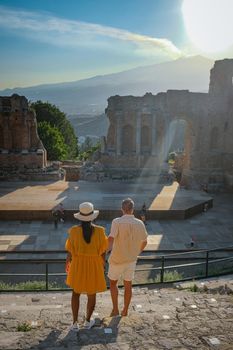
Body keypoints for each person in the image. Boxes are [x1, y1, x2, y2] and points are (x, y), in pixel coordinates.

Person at [65, 202, 108, 331]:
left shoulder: (73, 231)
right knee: (91, 293)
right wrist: (103, 263)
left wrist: (67, 261)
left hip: (78, 264)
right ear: (93, 216)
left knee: (75, 293)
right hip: (94, 264)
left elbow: (70, 251)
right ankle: (88, 321)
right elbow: (103, 250)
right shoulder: (100, 231)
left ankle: (74, 323)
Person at [107, 198, 148, 317]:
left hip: (117, 259)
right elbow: (144, 241)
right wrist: (136, 252)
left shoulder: (117, 222)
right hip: (131, 260)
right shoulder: (139, 223)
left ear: (122, 209)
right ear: (132, 209)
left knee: (113, 284)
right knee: (128, 285)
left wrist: (104, 252)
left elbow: (111, 238)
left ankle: (115, 309)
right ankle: (125, 310)